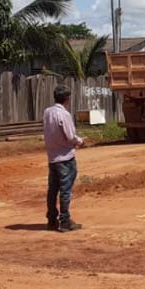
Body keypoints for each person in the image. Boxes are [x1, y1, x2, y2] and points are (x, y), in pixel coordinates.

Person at [43, 84, 84, 232]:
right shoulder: (64, 115)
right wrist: (80, 141)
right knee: (65, 190)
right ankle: (65, 221)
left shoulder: (47, 112)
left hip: (52, 157)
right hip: (65, 157)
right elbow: (70, 136)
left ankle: (51, 220)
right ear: (67, 99)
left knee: (52, 190)